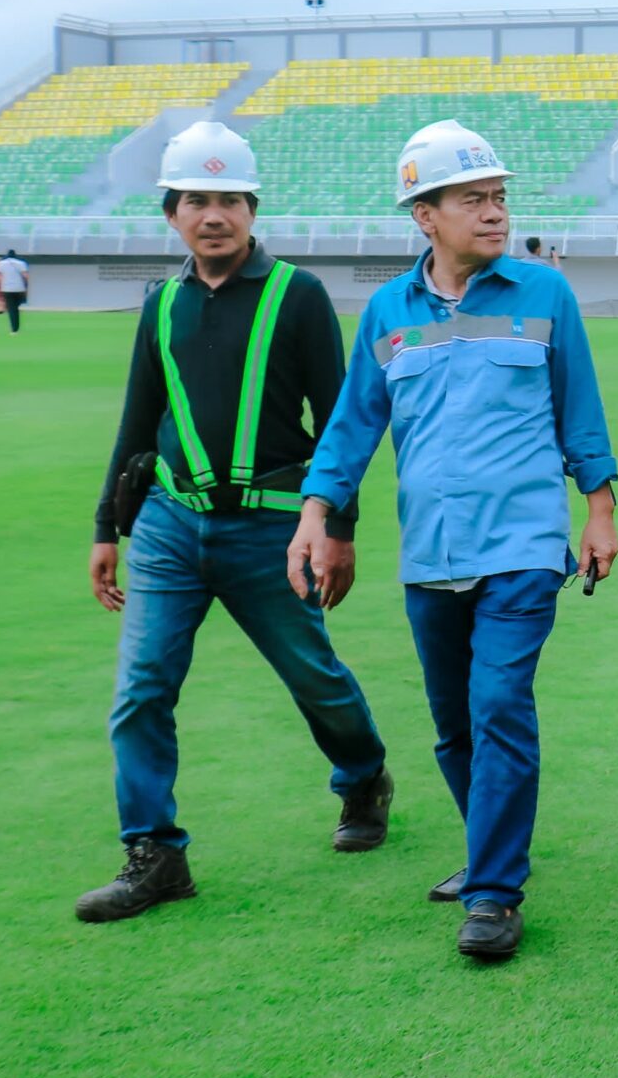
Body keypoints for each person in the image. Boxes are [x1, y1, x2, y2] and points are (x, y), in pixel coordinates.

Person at [294, 119, 618, 963]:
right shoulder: (387, 313)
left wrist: (600, 510)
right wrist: (315, 516)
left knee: (499, 706)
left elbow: (579, 409)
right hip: (430, 555)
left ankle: (493, 894)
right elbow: (351, 428)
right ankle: (491, 851)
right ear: (424, 215)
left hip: (522, 544)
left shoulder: (544, 295)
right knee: (452, 727)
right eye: (472, 199)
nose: (494, 212)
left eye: (500, 197)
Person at [75, 122, 389, 924]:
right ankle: (155, 855)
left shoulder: (299, 295)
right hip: (171, 529)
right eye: (195, 200)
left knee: (313, 676)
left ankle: (362, 780)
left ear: (251, 208)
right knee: (141, 689)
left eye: (227, 199)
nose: (212, 214)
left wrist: (339, 528)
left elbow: (341, 419)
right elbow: (136, 421)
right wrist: (108, 528)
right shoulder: (162, 305)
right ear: (171, 214)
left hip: (270, 533)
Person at [0, 250, 29, 331]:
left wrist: (0, 286)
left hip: (6, 288)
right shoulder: (21, 263)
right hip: (19, 288)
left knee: (11, 308)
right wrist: (26, 287)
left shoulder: (1, 263)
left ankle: (14, 328)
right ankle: (16, 325)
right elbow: (26, 276)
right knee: (16, 307)